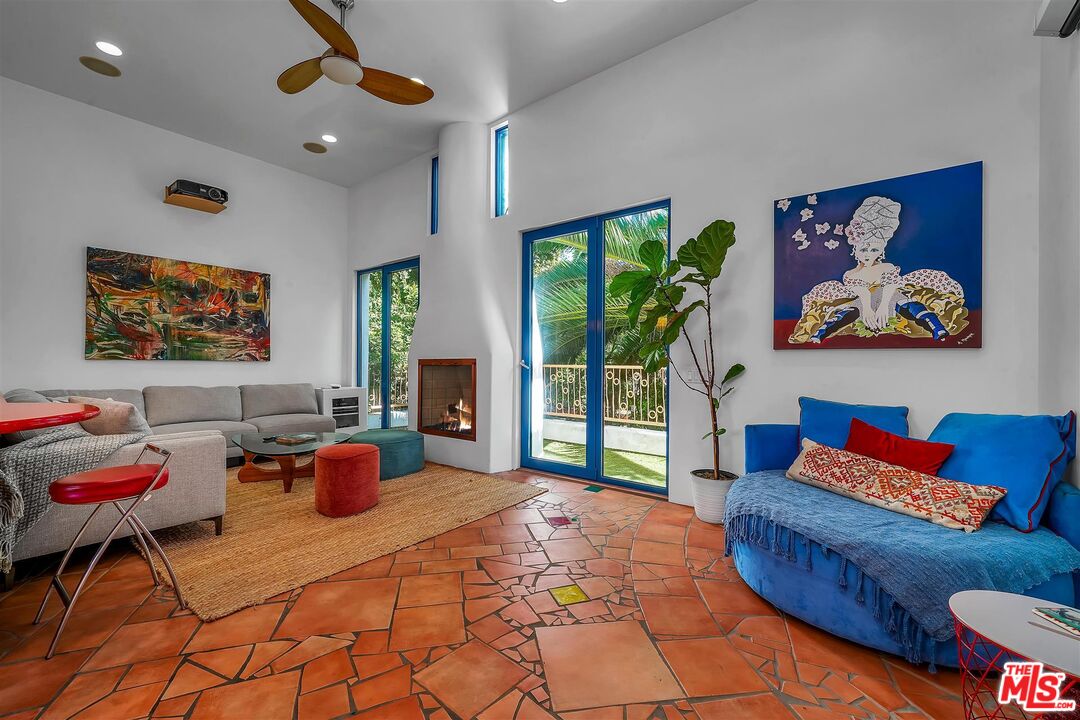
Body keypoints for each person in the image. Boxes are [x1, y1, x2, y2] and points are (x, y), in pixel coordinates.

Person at [789, 196, 968, 344]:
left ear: (881, 252)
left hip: (889, 299)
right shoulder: (851, 274)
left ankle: (936, 326)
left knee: (904, 302)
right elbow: (862, 293)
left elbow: (890, 287)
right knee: (851, 309)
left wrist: (883, 307)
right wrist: (867, 309)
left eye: (874, 250)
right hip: (863, 304)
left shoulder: (886, 267)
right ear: (855, 250)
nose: (868, 255)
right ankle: (820, 333)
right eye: (864, 250)